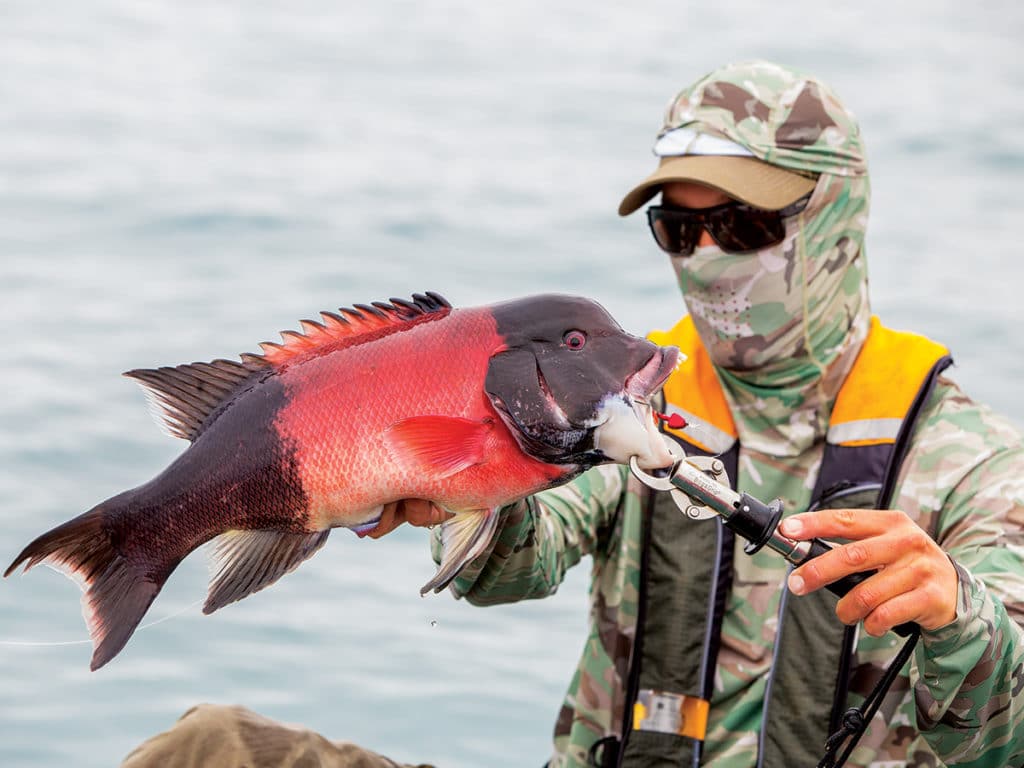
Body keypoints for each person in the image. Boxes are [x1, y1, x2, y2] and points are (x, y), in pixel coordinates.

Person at [122, 61, 1024, 768]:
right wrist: (464, 499)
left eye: (744, 227)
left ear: (836, 216)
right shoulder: (622, 392)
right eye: (679, 227)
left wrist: (959, 620)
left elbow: (1007, 737)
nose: (706, 258)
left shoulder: (969, 457)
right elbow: (519, 555)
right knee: (208, 751)